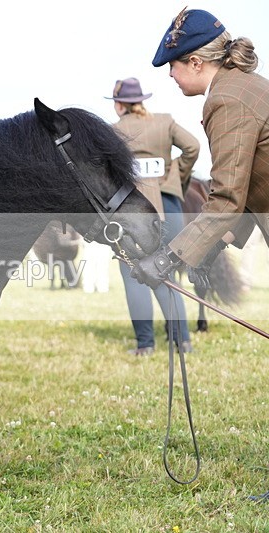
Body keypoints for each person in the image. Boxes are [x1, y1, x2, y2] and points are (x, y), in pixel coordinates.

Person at [133, 8, 269, 297]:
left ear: (195, 62)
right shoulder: (243, 85)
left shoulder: (225, 100)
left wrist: (168, 258)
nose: (170, 75)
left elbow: (227, 198)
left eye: (173, 65)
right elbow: (249, 191)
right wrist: (214, 245)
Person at [108, 77, 200, 355]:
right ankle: (182, 340)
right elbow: (193, 147)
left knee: (133, 273)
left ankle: (145, 345)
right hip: (168, 209)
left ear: (119, 104)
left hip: (132, 215)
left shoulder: (113, 132)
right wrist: (174, 180)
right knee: (166, 272)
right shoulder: (165, 122)